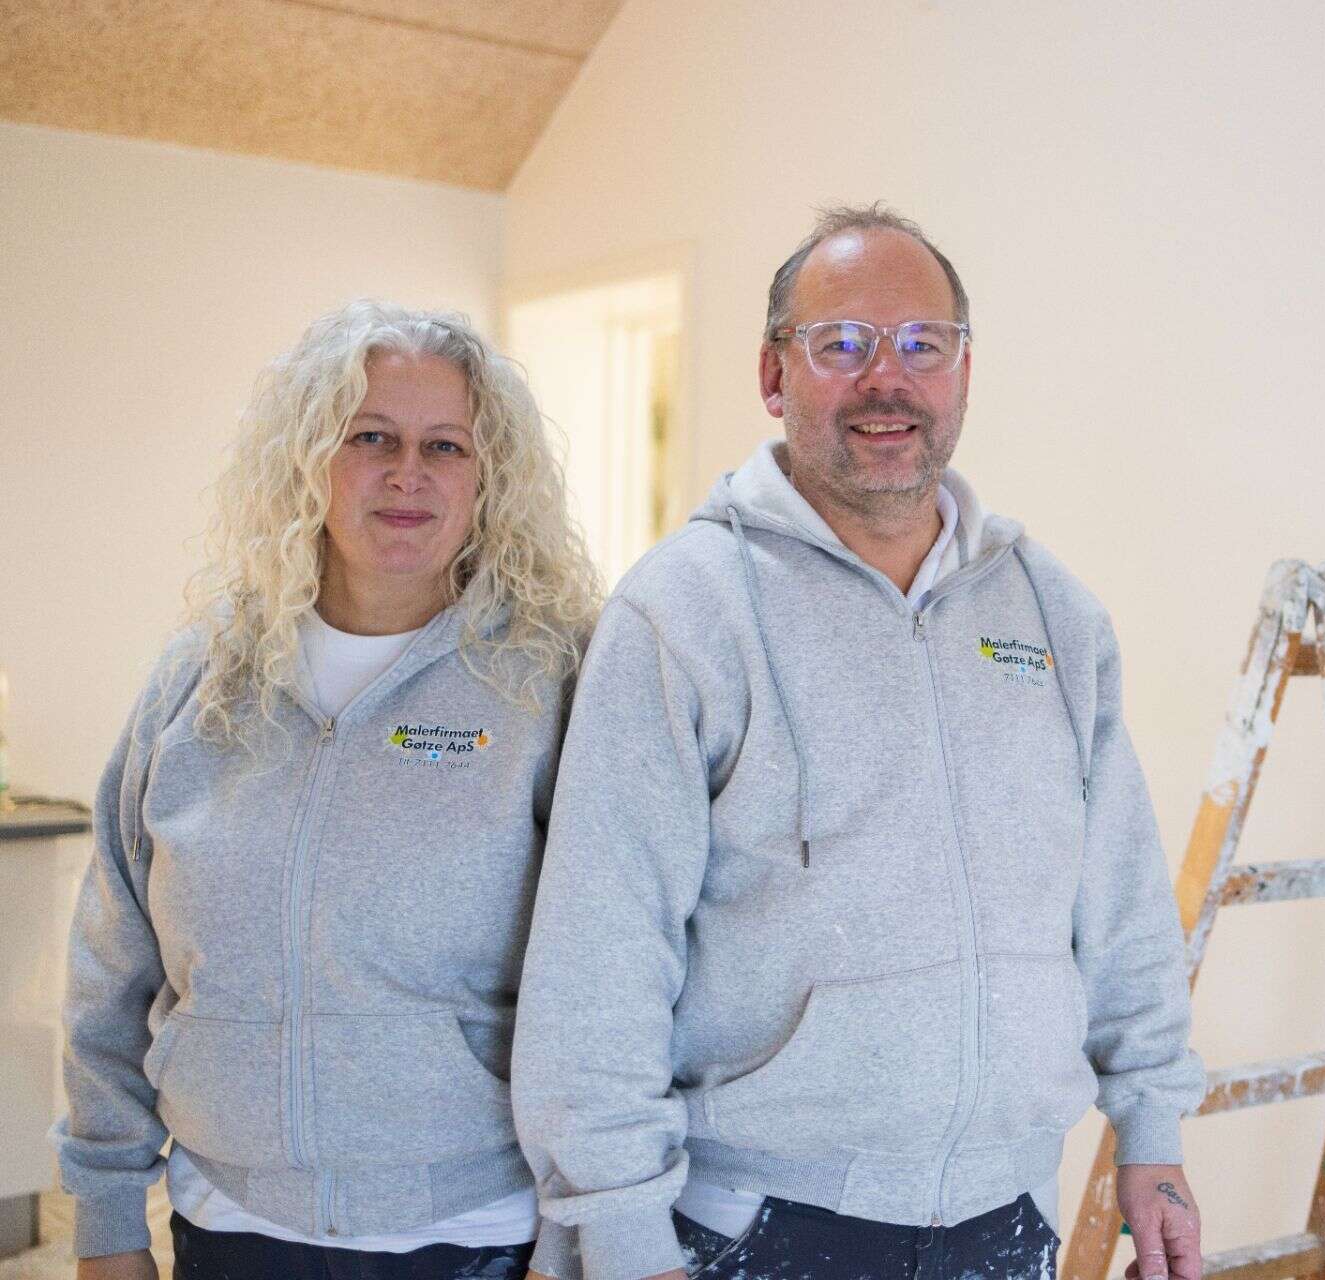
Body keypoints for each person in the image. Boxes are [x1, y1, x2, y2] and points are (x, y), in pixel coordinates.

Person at [513, 206, 1206, 1280]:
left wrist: (1152, 1134)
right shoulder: (684, 612)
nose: (888, 378)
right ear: (772, 373)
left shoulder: (1052, 614)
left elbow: (1121, 900)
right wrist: (619, 1233)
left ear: (965, 371)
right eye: (841, 343)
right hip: (753, 1223)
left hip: (1008, 1217)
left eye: (924, 343)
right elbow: (600, 954)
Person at [55, 301, 599, 1280]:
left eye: (446, 446)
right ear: (309, 457)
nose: (408, 472)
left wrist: (576, 1238)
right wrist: (104, 1216)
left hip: (474, 1229)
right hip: (231, 1222)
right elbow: (112, 961)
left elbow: (604, 986)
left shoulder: (550, 685)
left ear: (488, 477)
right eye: (371, 437)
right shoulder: (201, 681)